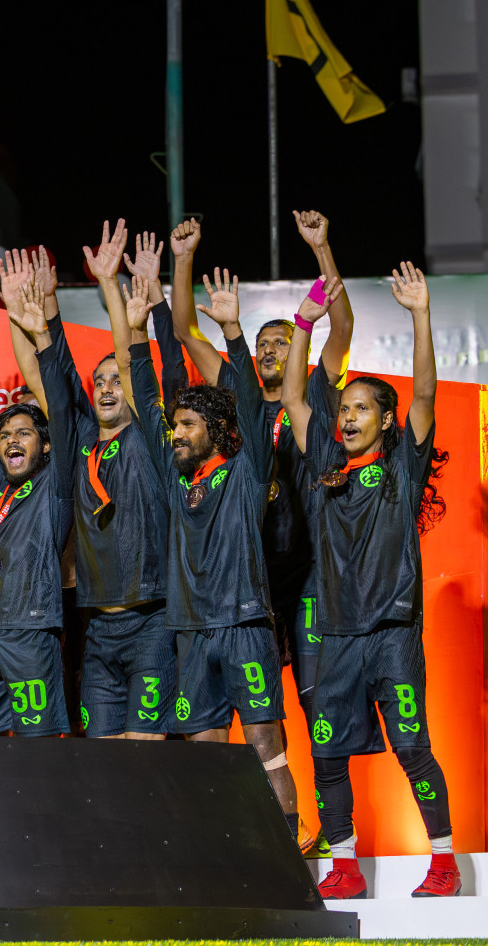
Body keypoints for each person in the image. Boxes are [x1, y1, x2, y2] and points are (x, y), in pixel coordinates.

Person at [281, 263, 461, 899]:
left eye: (362, 408)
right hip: (334, 637)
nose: (349, 416)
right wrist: (305, 321)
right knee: (327, 758)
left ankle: (443, 863)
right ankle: (346, 868)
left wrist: (419, 313)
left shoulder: (403, 469)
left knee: (414, 749)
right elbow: (297, 400)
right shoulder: (322, 470)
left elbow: (425, 395)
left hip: (390, 635)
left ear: (384, 422)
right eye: (347, 408)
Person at [122, 266, 302, 841]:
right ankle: (224, 857)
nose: (175, 433)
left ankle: (287, 858)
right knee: (205, 753)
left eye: (188, 424)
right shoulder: (178, 480)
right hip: (190, 630)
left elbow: (249, 402)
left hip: (245, 623)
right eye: (175, 425)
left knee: (265, 744)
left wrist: (232, 333)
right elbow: (146, 398)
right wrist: (133, 336)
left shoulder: (247, 473)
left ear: (217, 431)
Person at [170, 213, 353, 726]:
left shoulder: (317, 390)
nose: (270, 349)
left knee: (317, 703)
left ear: (301, 350)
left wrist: (321, 249)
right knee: (249, 710)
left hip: (308, 566)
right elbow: (186, 330)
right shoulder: (235, 391)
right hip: (249, 576)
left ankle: (324, 806)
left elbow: (341, 325)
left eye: (282, 342)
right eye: (263, 342)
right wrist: (183, 260)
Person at [64, 225, 188, 739]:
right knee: (105, 766)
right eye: (100, 382)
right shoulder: (84, 444)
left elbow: (132, 366)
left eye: (117, 380)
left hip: (152, 622)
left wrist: (110, 285)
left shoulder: (145, 436)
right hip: (97, 625)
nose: (108, 387)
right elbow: (41, 377)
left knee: (146, 760)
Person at [0, 277, 73, 736]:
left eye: (23, 433)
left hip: (30, 629)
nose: (9, 441)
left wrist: (41, 338)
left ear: (44, 446)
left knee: (37, 748)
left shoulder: (56, 484)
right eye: (6, 437)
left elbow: (61, 411)